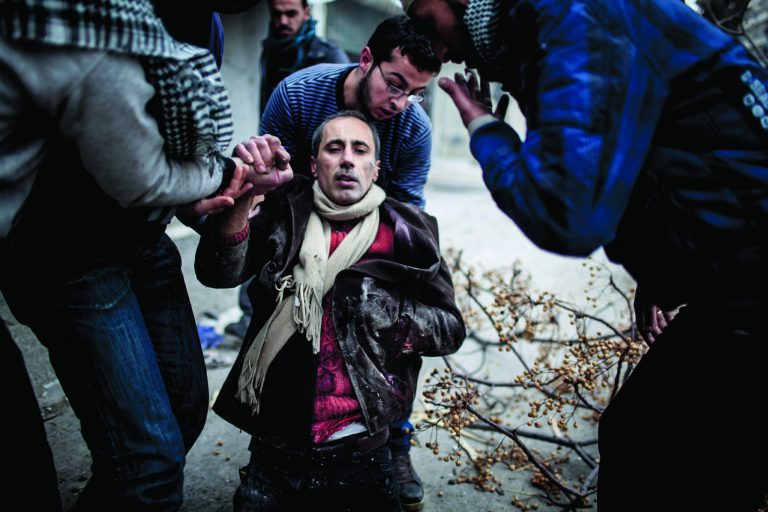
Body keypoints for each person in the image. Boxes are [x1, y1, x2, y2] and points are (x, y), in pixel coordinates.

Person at [401, 0, 768, 509]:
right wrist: (662, 274)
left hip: (750, 294)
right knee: (648, 440)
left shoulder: (574, 16)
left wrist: (486, 131)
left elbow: (566, 215)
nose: (435, 52)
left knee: (666, 457)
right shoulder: (549, 31)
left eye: (426, 23)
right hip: (731, 286)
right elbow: (661, 155)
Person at [0, 1, 277, 508]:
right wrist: (221, 177)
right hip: (67, 253)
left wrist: (235, 201)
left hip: (145, 242)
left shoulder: (207, 23)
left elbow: (183, 167)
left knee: (184, 413)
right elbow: (142, 177)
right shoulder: (108, 17)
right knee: (149, 465)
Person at [196, 111, 466, 511]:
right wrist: (239, 204)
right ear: (312, 163)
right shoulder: (284, 209)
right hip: (277, 438)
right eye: (334, 148)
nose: (346, 160)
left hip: (364, 441)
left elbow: (450, 329)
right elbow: (217, 274)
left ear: (375, 170)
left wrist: (383, 310)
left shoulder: (409, 229)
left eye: (360, 150)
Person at [229, 16, 443, 509]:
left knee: (396, 318)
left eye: (415, 92)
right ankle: (269, 442)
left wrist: (376, 284)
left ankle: (394, 440)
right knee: (276, 300)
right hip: (297, 224)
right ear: (366, 59)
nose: (401, 102)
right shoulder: (299, 94)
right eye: (395, 84)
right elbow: (272, 187)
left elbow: (407, 215)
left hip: (370, 231)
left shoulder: (412, 127)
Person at [259, 0, 349, 117]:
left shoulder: (328, 56)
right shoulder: (270, 50)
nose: (283, 21)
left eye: (291, 14)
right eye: (277, 14)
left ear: (306, 13)